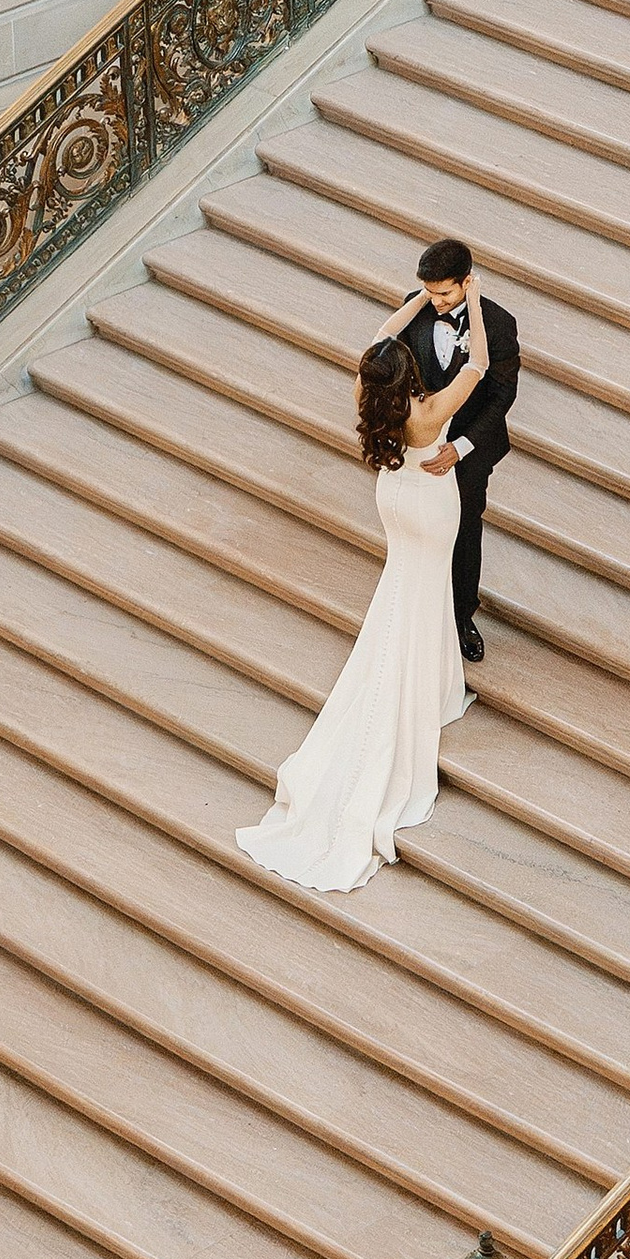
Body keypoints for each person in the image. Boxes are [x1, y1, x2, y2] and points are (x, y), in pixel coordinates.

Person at [235, 268, 494, 899]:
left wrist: (405, 316)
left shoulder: (367, 396)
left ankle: (423, 676)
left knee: (403, 585)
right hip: (432, 506)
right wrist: (475, 298)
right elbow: (481, 363)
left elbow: (381, 335)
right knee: (426, 587)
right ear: (408, 378)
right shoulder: (430, 413)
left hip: (393, 498)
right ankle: (431, 684)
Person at [394, 237, 519, 664]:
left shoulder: (498, 324)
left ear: (468, 282)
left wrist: (461, 447)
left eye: (444, 293)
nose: (436, 302)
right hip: (419, 448)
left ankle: (462, 616)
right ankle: (417, 610)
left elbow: (502, 396)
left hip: (468, 450)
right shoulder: (416, 306)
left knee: (465, 533)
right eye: (429, 292)